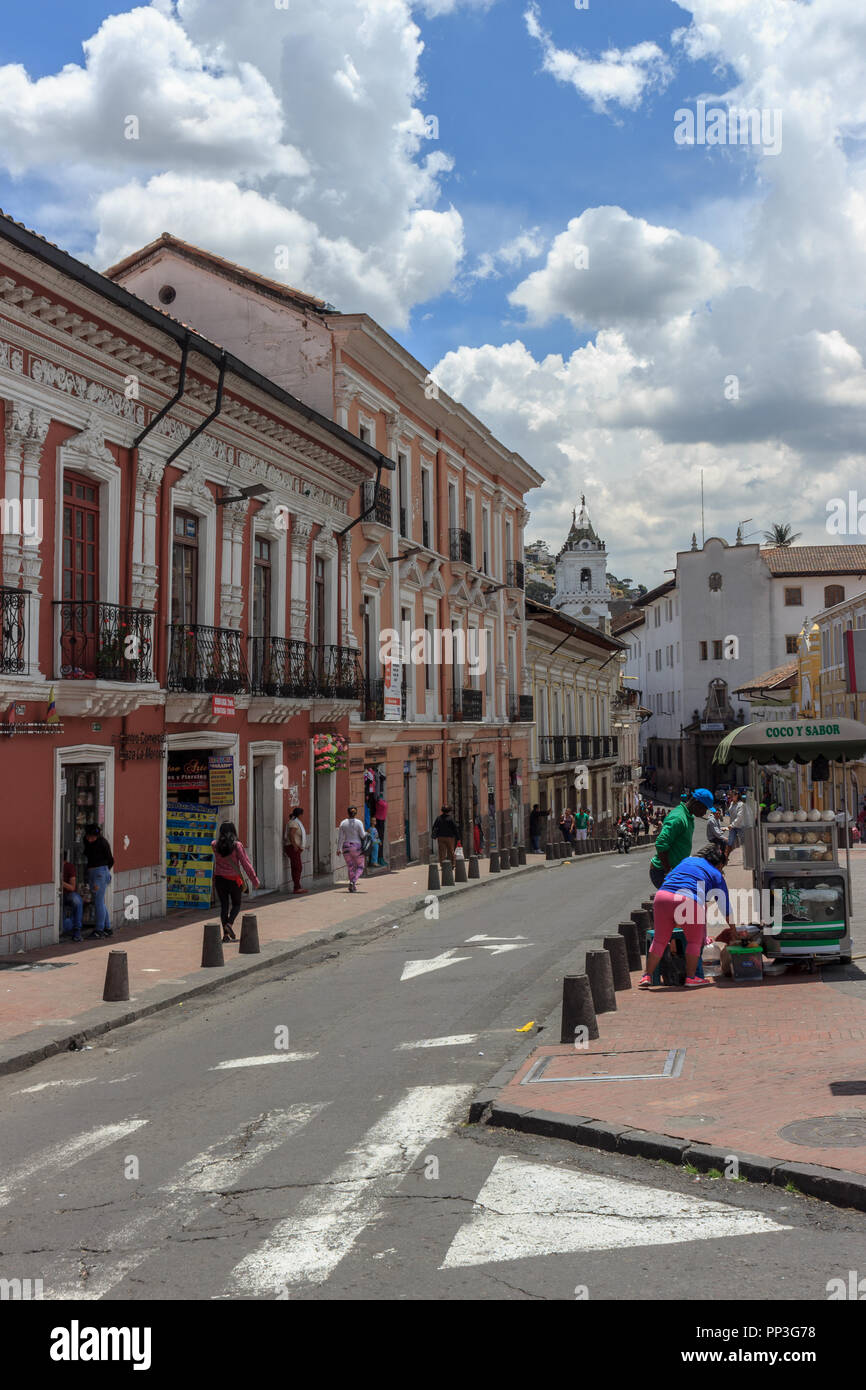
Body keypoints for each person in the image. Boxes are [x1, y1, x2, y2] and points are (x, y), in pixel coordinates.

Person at [640, 842, 733, 989]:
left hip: (662, 896)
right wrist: (734, 930)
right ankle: (691, 977)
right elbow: (725, 906)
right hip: (689, 900)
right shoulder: (716, 874)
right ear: (719, 864)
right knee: (694, 942)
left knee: (659, 941)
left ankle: (647, 976)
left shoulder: (687, 860)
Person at [648, 788, 714, 890]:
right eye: (704, 809)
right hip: (662, 871)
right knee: (680, 902)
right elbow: (661, 843)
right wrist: (669, 872)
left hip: (675, 871)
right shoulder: (679, 817)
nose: (704, 813)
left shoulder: (688, 817)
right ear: (696, 803)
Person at [211, 821, 260, 942]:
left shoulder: (214, 845)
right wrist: (254, 880)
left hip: (220, 879)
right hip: (234, 880)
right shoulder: (237, 845)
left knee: (224, 906)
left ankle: (225, 936)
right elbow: (245, 864)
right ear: (233, 831)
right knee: (237, 904)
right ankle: (230, 924)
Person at [82, 824, 114, 938]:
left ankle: (99, 930)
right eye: (89, 837)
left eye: (93, 837)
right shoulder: (86, 842)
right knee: (99, 901)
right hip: (93, 873)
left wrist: (104, 871)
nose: (91, 839)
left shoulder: (103, 843)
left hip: (99, 873)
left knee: (98, 902)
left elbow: (111, 860)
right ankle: (107, 927)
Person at [338, 805, 367, 892]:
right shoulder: (359, 822)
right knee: (360, 866)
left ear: (348, 812)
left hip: (346, 846)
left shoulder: (343, 823)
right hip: (356, 847)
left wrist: (338, 849)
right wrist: (367, 833)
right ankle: (353, 882)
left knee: (350, 866)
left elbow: (340, 837)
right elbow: (362, 835)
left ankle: (352, 885)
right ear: (356, 813)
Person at [283, 807, 308, 895]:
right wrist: (295, 845)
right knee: (297, 867)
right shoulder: (293, 823)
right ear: (300, 815)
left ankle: (297, 886)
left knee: (297, 867)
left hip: (294, 847)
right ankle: (297, 887)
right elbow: (291, 834)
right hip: (292, 847)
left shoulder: (296, 822)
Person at [61, 856, 83, 942]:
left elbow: (72, 887)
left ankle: (77, 930)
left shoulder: (69, 867)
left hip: (67, 893)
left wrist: (61, 882)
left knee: (77, 901)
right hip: (56, 894)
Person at [375, 787, 388, 863]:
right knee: (379, 840)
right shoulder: (380, 803)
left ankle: (380, 857)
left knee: (380, 840)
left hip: (381, 821)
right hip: (379, 821)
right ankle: (379, 858)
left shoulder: (380, 802)